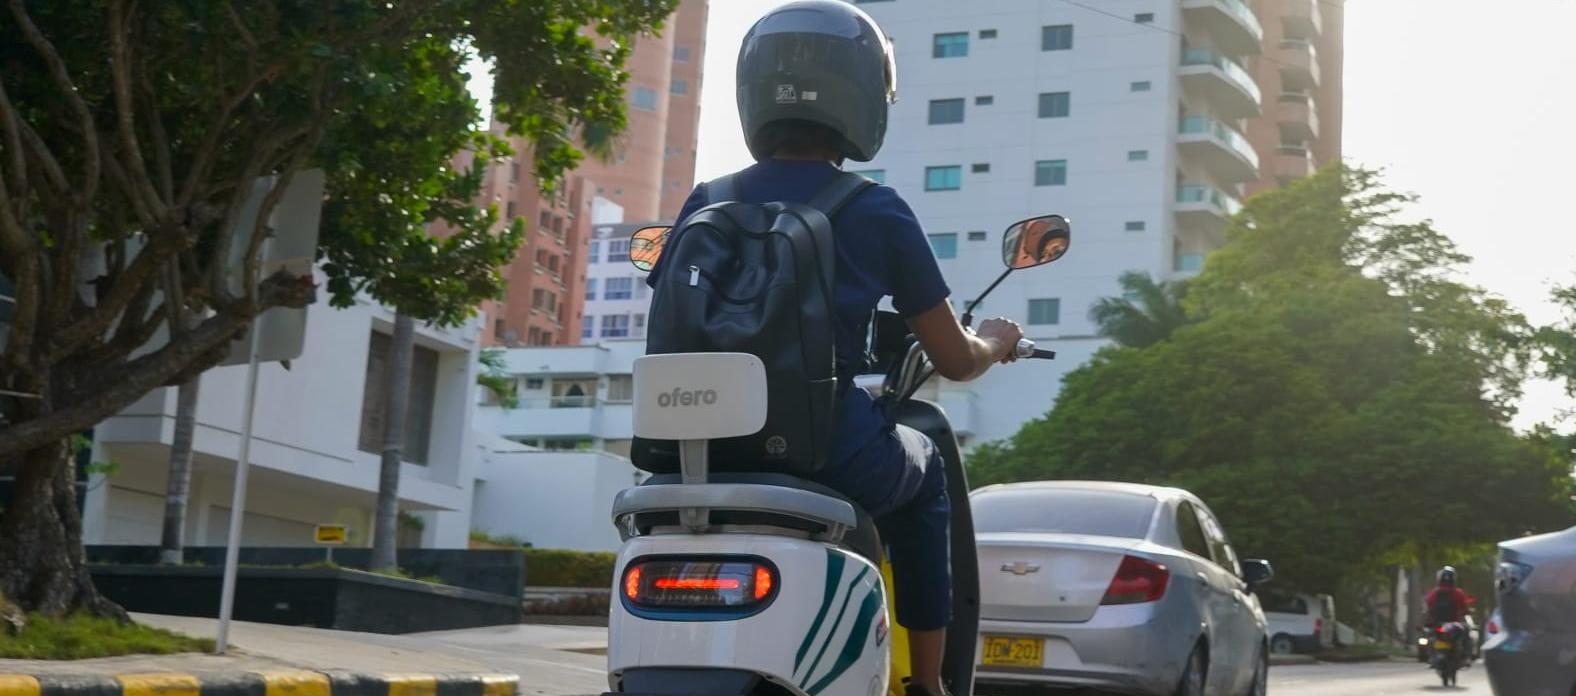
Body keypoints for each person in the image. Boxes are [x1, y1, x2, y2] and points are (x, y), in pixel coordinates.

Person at [643, 3, 1023, 694]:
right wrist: (996, 341)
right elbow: (954, 360)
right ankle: (930, 683)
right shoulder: (873, 209)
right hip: (826, 447)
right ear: (864, 97)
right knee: (927, 468)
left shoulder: (706, 199)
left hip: (690, 449)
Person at [1424, 566, 1475, 657]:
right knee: (1467, 634)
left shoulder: (1433, 593)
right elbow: (1464, 608)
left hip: (1437, 623)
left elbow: (1429, 606)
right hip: (1454, 623)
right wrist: (1466, 612)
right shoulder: (1458, 593)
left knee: (1429, 634)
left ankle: (1430, 655)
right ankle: (1466, 656)